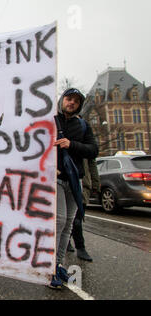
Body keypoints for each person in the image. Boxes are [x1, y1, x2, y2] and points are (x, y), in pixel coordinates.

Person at [49, 88, 98, 289]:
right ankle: (50, 268)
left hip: (74, 181)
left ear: (79, 105)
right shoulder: (51, 121)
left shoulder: (83, 126)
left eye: (76, 101)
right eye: (69, 99)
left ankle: (58, 264)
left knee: (69, 223)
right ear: (62, 100)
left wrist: (72, 145)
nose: (71, 103)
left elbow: (93, 150)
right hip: (56, 180)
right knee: (59, 220)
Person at [67, 157, 100, 262]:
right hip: (67, 181)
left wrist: (95, 183)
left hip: (83, 185)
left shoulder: (85, 146)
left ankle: (79, 246)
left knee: (77, 219)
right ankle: (74, 244)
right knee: (69, 219)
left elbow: (92, 164)